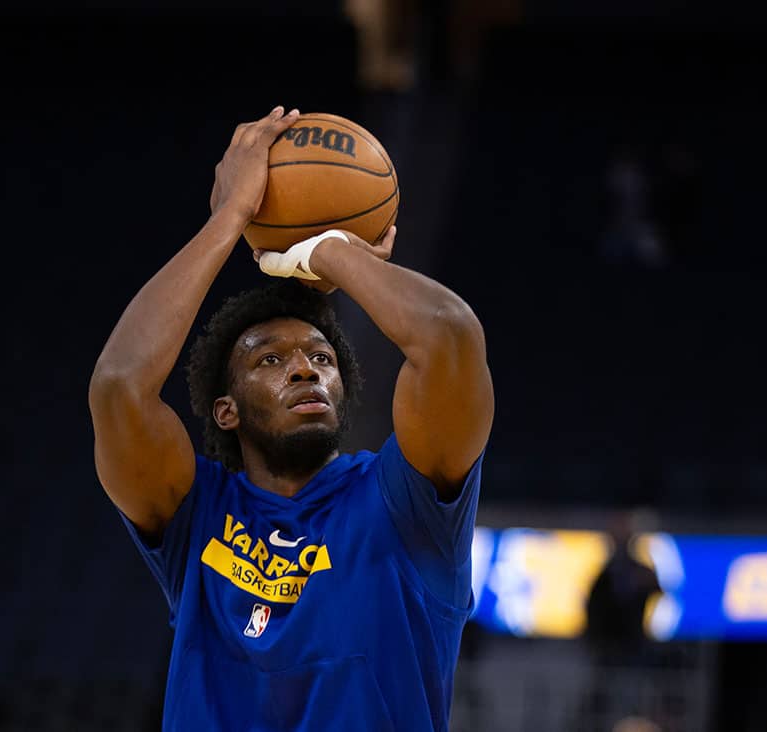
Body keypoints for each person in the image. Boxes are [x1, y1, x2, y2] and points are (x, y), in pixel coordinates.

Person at [87, 105, 494, 732]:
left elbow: (449, 337)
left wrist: (324, 249)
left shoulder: (405, 503)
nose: (304, 371)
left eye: (321, 357)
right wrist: (230, 220)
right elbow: (119, 388)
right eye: (269, 359)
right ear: (225, 411)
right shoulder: (197, 514)